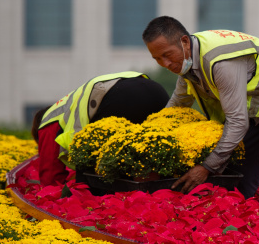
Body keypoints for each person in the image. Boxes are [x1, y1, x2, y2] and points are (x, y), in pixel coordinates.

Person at [142, 16, 259, 206]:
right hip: (257, 102)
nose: (165, 63)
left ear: (184, 42)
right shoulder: (188, 59)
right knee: (240, 156)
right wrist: (150, 138)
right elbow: (178, 104)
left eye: (167, 55)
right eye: (157, 59)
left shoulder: (221, 63)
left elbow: (238, 121)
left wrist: (207, 166)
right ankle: (239, 209)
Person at [31, 71, 169, 186]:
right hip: (157, 91)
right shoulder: (67, 105)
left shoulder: (48, 120)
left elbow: (51, 177)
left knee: (88, 171)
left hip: (121, 99)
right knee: (157, 154)